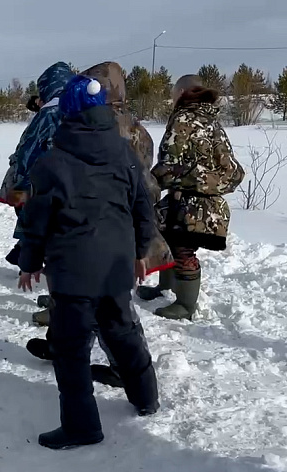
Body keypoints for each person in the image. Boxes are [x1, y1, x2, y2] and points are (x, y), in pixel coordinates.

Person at [18, 75, 159, 450]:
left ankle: (82, 427)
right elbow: (143, 206)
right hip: (115, 265)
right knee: (122, 330)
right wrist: (141, 250)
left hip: (73, 271)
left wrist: (29, 261)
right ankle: (146, 397)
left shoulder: (53, 162)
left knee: (70, 347)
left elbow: (37, 220)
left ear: (67, 113)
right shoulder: (124, 153)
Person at [138, 74, 245, 320]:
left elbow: (169, 164)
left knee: (182, 248)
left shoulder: (184, 118)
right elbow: (230, 171)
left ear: (182, 93)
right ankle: (165, 287)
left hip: (192, 204)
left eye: (173, 94)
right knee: (164, 235)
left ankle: (186, 305)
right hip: (209, 203)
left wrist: (149, 185)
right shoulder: (211, 121)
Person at [0, 62, 74, 265]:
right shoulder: (77, 106)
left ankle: (29, 256)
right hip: (70, 183)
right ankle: (26, 251)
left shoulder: (49, 113)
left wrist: (20, 181)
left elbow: (30, 152)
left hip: (38, 180)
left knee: (32, 216)